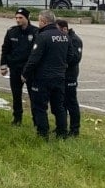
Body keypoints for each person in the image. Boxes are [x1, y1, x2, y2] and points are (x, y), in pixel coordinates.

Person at [22, 10, 70, 140]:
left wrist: (25, 74)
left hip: (43, 78)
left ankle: (43, 134)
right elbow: (70, 56)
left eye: (39, 21)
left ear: (43, 21)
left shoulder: (43, 36)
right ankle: (62, 133)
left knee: (40, 107)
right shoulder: (64, 36)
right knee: (59, 107)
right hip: (59, 76)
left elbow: (34, 58)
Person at [0, 8, 39, 126]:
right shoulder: (11, 31)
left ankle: (36, 120)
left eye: (20, 18)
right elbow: (5, 49)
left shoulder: (36, 32)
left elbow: (37, 53)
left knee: (34, 96)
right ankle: (17, 118)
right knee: (16, 95)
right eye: (16, 18)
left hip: (30, 70)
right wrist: (3, 65)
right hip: (15, 68)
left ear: (27, 18)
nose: (18, 20)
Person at [58, 18, 84, 137]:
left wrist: (61, 60)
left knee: (71, 103)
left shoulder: (75, 40)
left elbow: (75, 58)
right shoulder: (61, 39)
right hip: (60, 75)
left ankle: (74, 129)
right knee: (61, 103)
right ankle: (61, 126)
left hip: (70, 76)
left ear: (65, 29)